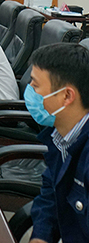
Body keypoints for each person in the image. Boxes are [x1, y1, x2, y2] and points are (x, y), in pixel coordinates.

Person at [26, 43, 89, 243]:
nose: (29, 91)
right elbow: (52, 193)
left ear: (67, 96)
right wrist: (41, 236)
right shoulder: (61, 137)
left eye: (35, 85)